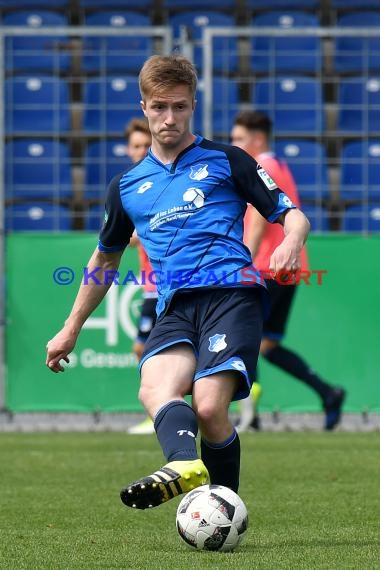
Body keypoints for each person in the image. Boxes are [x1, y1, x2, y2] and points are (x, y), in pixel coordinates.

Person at [46, 55, 310, 511]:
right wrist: (70, 327)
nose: (170, 118)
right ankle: (187, 467)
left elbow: (292, 213)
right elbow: (104, 259)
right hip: (175, 306)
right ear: (144, 106)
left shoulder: (228, 160)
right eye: (160, 107)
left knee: (209, 409)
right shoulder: (126, 186)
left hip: (232, 293)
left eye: (181, 107)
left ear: (194, 105)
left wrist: (291, 240)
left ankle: (224, 506)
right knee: (153, 386)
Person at [230, 110, 346, 432]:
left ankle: (249, 416)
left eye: (239, 139)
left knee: (244, 337)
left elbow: (255, 220)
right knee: (266, 345)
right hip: (288, 267)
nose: (234, 144)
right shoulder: (280, 165)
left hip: (266, 266)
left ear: (257, 139)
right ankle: (328, 392)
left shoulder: (262, 167)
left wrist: (243, 263)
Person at [124, 118, 156, 435]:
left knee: (143, 348)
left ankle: (159, 411)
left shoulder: (158, 181)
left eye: (146, 145)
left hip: (164, 282)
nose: (141, 151)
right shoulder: (130, 184)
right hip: (150, 281)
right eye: (136, 146)